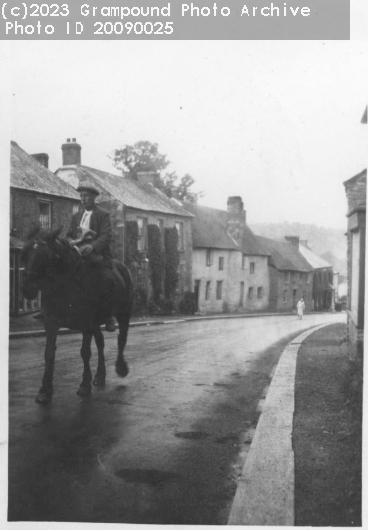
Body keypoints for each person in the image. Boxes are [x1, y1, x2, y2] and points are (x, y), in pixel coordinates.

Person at [67, 184, 116, 332]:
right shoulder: (76, 216)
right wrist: (70, 241)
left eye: (86, 196)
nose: (83, 199)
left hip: (97, 254)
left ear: (94, 197)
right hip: (76, 253)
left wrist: (93, 246)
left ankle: (108, 316)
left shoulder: (103, 214)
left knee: (108, 279)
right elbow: (69, 234)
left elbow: (107, 235)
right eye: (81, 196)